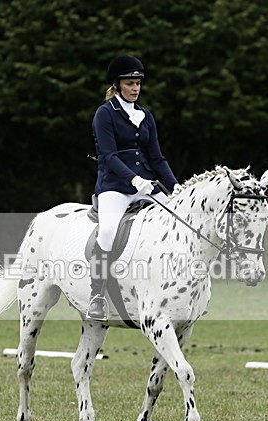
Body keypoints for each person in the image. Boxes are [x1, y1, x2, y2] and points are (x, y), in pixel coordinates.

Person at [87, 55, 179, 321]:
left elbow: (157, 158)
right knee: (106, 231)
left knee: (177, 220)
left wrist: (176, 189)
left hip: (147, 185)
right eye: (130, 83)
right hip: (115, 186)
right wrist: (134, 180)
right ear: (117, 85)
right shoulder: (104, 114)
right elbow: (108, 156)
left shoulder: (145, 116)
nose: (136, 88)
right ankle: (96, 295)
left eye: (138, 82)